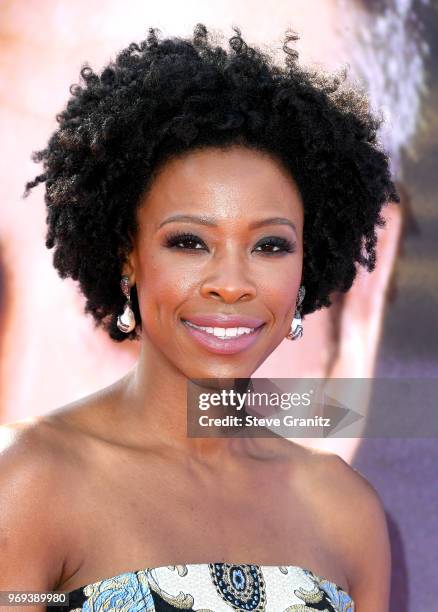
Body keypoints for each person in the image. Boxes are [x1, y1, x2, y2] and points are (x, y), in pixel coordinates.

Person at [0, 23, 400, 611]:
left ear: (309, 267)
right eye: (188, 242)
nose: (232, 285)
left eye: (270, 246)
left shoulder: (347, 510)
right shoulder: (36, 483)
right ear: (127, 257)